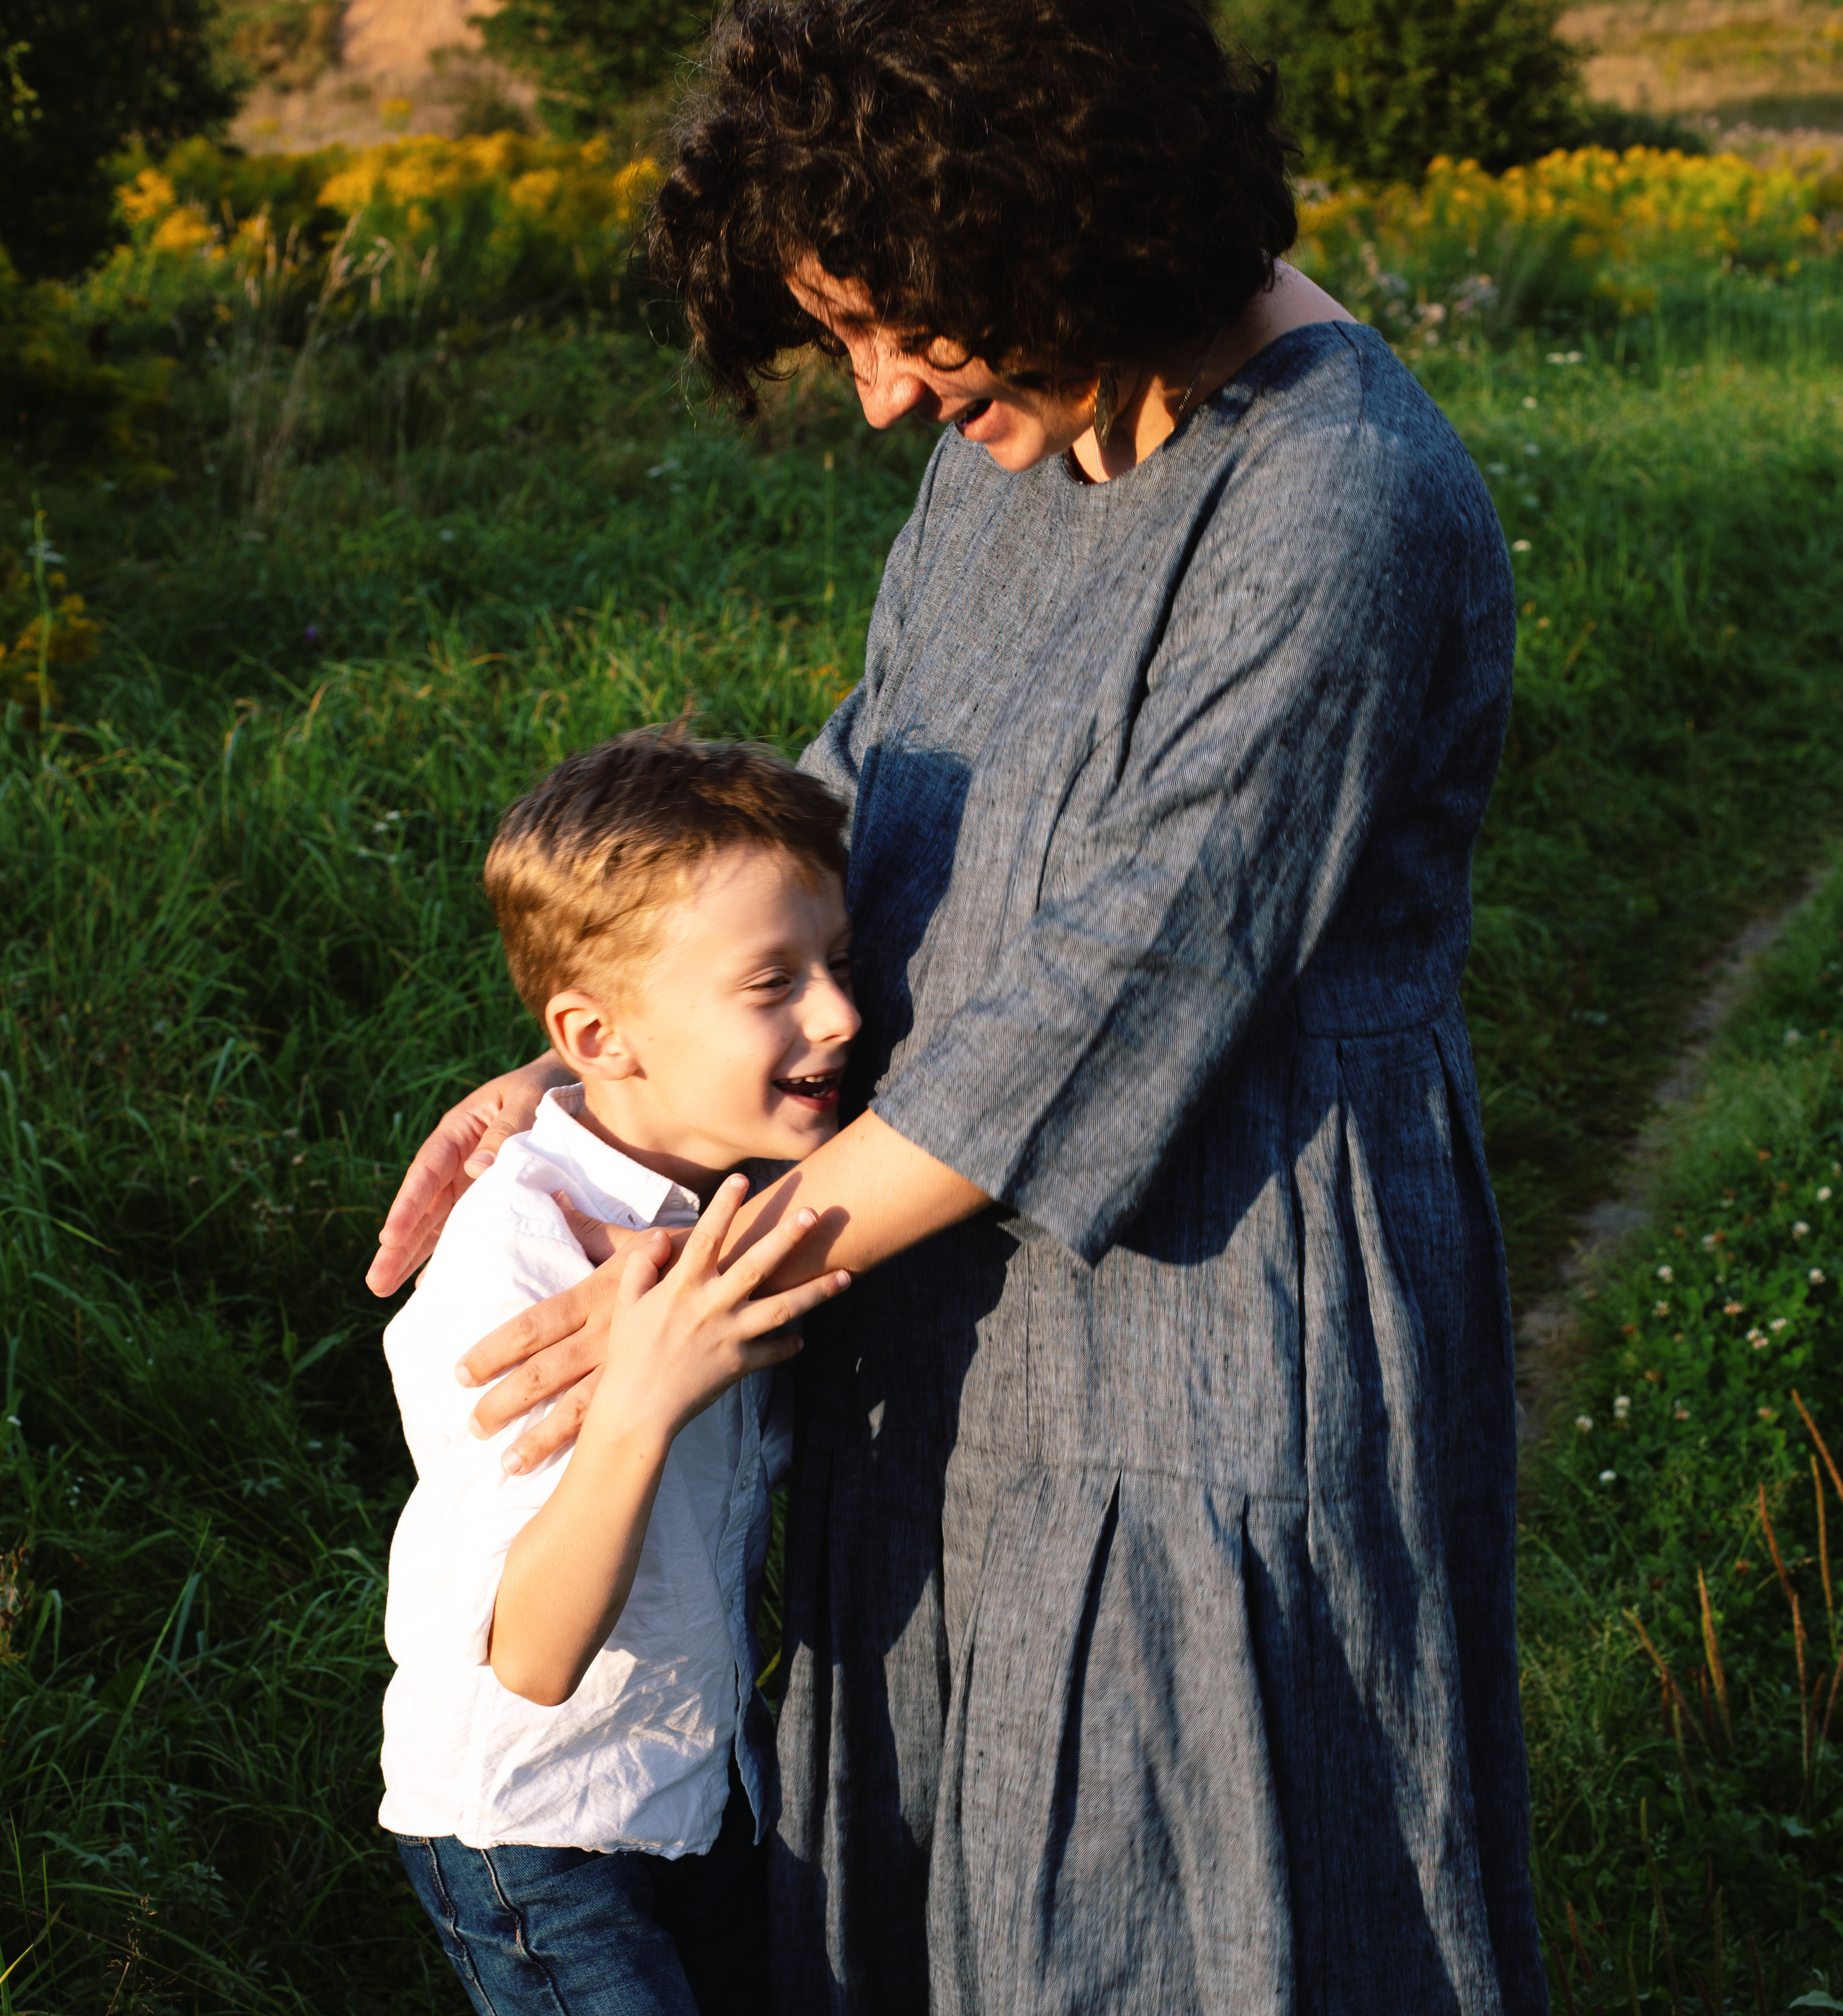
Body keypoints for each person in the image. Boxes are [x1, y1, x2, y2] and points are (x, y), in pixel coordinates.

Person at [369, 0, 1551, 2008]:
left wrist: (683, 1303)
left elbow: (1115, 984)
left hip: (1211, 1343)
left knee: (1192, 1890)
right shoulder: (1034, 426)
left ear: (1075, 230)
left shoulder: (1331, 506)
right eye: (846, 335)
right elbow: (858, 808)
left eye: (905, 333)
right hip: (952, 1331)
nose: (883, 403)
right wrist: (601, 1070)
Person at [377, 730, 858, 2016]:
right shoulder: (523, 1258)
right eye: (775, 983)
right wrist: (642, 1396)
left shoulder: (728, 1171)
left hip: (692, 1781)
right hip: (541, 1830)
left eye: (840, 962)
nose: (842, 1014)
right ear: (598, 1035)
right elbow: (529, 1657)